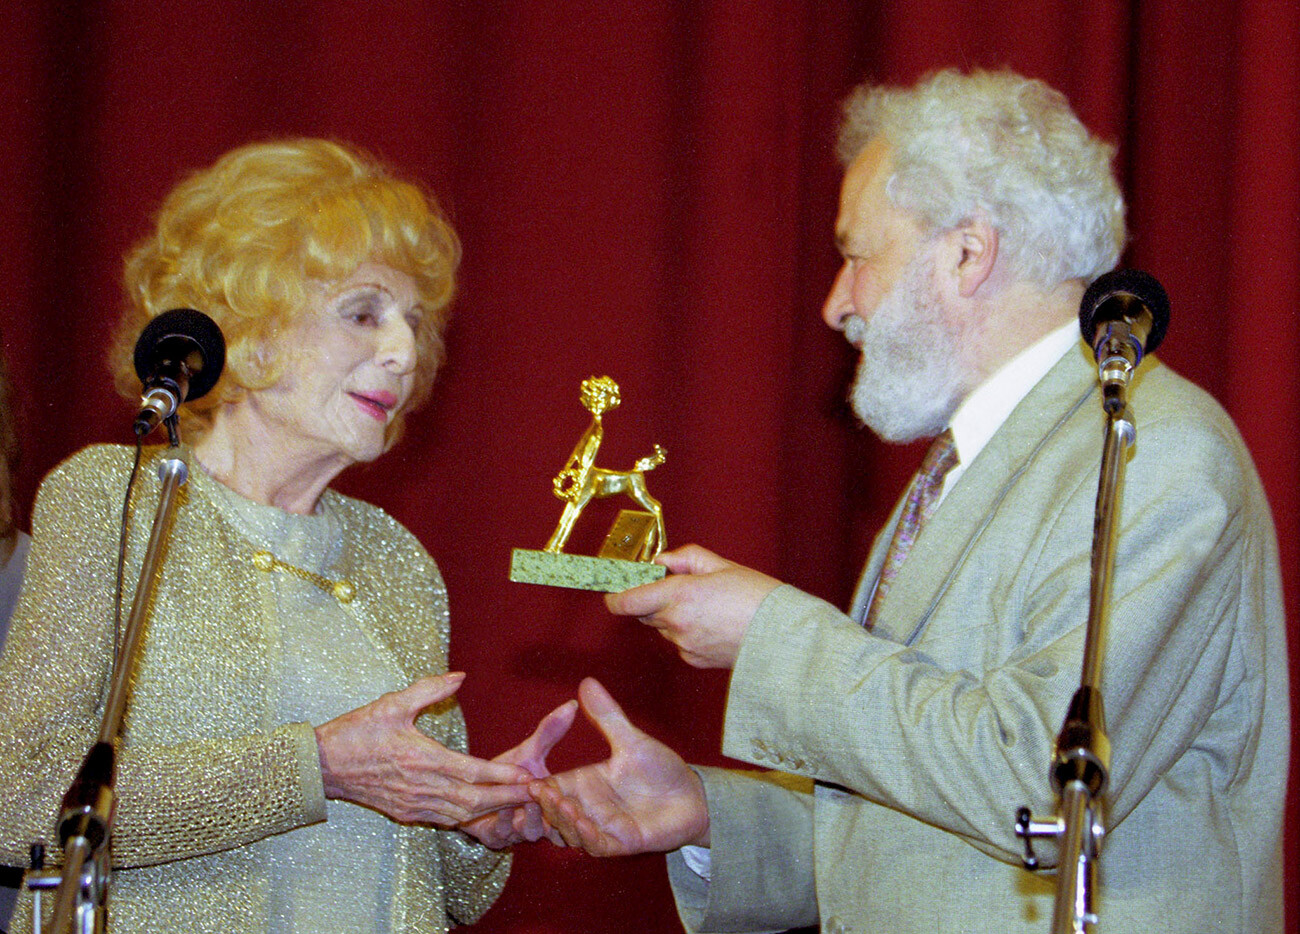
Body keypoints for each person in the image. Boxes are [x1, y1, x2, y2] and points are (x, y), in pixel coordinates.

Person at [530, 70, 1289, 933]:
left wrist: (773, 635)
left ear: (969, 253)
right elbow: (924, 806)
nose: (835, 305)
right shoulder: (963, 466)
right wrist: (707, 813)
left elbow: (1041, 786)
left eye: (856, 256)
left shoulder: (1152, 451)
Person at [0, 139, 576, 934]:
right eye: (364, 313)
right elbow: (21, 798)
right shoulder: (114, 499)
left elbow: (453, 892)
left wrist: (481, 821)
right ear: (252, 324)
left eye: (414, 324)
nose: (404, 354)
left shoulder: (396, 561)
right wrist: (318, 766)